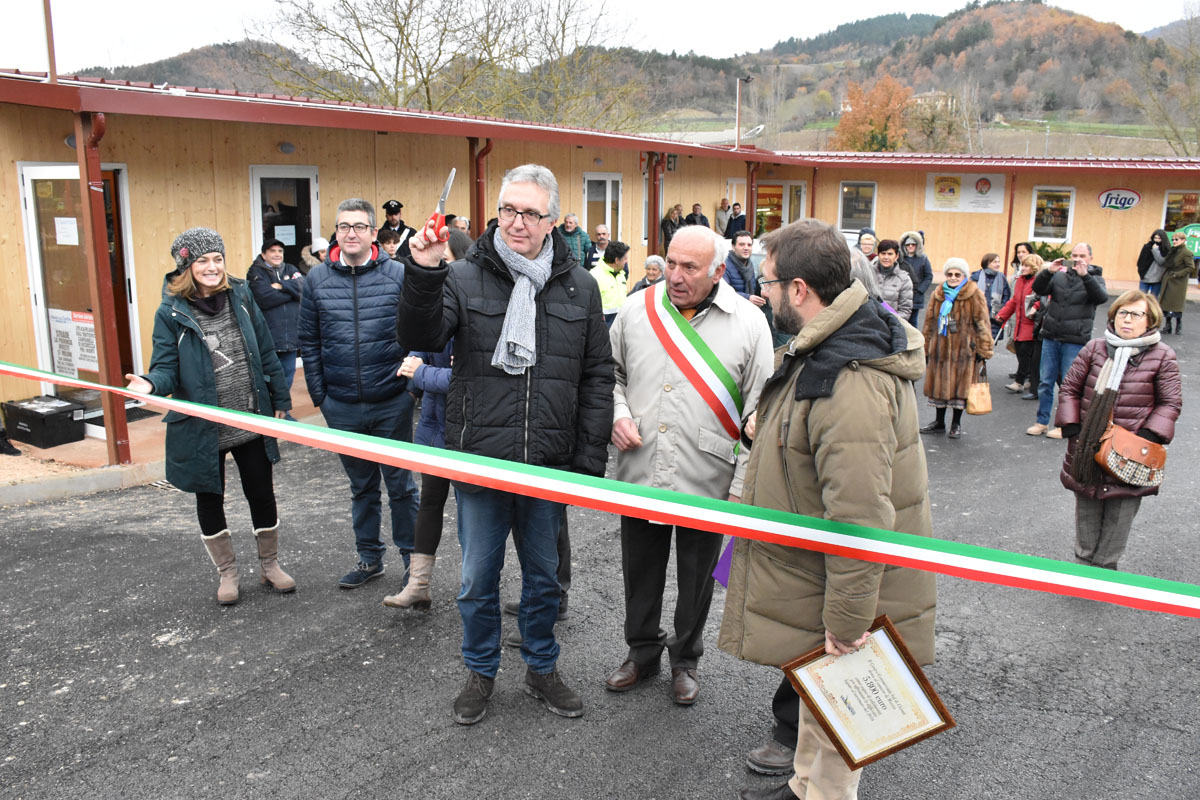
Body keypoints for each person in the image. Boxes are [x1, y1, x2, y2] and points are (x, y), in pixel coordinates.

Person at [721, 218, 935, 800]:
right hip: (817, 565)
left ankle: (821, 792)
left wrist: (847, 622)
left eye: (766, 282)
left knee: (840, 706)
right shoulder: (829, 345)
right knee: (822, 700)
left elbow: (861, 515)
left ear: (797, 289)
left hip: (838, 577)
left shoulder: (848, 377)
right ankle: (802, 786)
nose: (758, 292)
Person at [400, 163, 614, 725]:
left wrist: (586, 462)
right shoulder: (465, 276)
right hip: (479, 460)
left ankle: (542, 667)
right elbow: (421, 337)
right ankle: (480, 671)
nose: (517, 223)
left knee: (544, 581)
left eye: (530, 213)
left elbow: (596, 376)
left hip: (546, 465)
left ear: (552, 221)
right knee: (476, 581)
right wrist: (422, 271)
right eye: (508, 210)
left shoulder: (580, 286)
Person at [606, 225, 772, 706]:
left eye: (689, 268)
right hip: (641, 468)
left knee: (697, 576)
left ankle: (685, 660)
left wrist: (741, 487)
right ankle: (640, 653)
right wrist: (616, 414)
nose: (674, 276)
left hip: (709, 476)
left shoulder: (748, 322)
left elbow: (761, 410)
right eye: (671, 263)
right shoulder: (637, 310)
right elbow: (609, 376)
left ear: (719, 270)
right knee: (640, 569)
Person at [125, 228, 295, 605]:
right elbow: (166, 366)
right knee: (210, 497)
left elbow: (265, 349)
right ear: (186, 266)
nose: (212, 267)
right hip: (204, 428)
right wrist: (151, 385)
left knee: (261, 493)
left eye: (217, 258)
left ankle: (270, 566)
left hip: (249, 417)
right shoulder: (170, 311)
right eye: (202, 260)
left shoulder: (242, 294)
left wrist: (280, 396)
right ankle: (228, 573)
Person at [299, 198, 420, 589]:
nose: (351, 233)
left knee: (401, 486)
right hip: (343, 407)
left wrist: (408, 388)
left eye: (359, 226)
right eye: (344, 226)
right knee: (361, 488)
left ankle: (412, 565)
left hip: (391, 402)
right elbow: (309, 341)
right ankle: (370, 559)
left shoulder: (398, 274)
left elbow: (418, 333)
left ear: (373, 232)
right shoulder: (316, 280)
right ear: (336, 232)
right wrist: (322, 397)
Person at [1056, 290, 1181, 569]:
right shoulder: (1095, 348)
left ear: (1149, 320)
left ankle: (1106, 568)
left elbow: (1170, 403)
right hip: (1087, 446)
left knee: (1120, 511)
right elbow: (1070, 389)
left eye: (1136, 314)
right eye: (1122, 312)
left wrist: (1148, 436)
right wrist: (1073, 426)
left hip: (1131, 451)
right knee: (1086, 507)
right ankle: (1082, 564)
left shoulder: (1162, 356)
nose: (1127, 319)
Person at [1027, 243, 1108, 439]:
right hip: (1051, 336)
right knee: (1045, 382)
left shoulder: (1095, 279)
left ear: (1090, 258)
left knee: (1069, 384)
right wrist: (1048, 272)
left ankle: (1067, 425)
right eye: (1074, 255)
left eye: (1082, 255)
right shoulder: (1059, 276)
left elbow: (1100, 298)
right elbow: (1038, 289)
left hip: (1075, 339)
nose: (1078, 258)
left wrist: (1085, 276)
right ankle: (1042, 422)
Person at [920, 257, 994, 439]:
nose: (953, 277)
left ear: (964, 276)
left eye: (957, 274)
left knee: (960, 389)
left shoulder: (974, 294)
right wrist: (925, 346)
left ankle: (956, 423)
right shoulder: (938, 293)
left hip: (964, 350)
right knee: (939, 387)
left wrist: (983, 348)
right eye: (949, 274)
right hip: (940, 349)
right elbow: (929, 322)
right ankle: (939, 422)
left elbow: (982, 322)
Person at [247, 238, 304, 402]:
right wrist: (292, 294)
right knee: (269, 378)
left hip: (291, 337)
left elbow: (305, 287)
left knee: (288, 375)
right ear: (264, 254)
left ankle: (282, 410)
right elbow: (263, 297)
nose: (277, 254)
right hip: (270, 336)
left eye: (280, 251)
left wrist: (281, 286)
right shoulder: (255, 272)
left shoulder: (290, 268)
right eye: (272, 251)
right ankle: (272, 411)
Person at [995, 253, 1044, 395]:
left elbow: (1044, 299)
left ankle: (1019, 382)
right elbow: (1014, 301)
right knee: (1020, 351)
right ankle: (1028, 379)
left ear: (1035, 267)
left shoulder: (1039, 282)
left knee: (1024, 354)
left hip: (1031, 324)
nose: (1023, 268)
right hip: (1020, 324)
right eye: (1023, 265)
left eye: (1027, 265)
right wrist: (1001, 316)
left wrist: (1035, 307)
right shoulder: (1020, 281)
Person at [1158, 230, 1196, 334]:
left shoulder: (1186, 252)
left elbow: (1190, 267)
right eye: (1173, 239)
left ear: (1183, 240)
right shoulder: (1173, 251)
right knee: (1166, 304)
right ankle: (1167, 326)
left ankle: (1178, 325)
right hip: (1168, 279)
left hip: (1178, 282)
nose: (1174, 241)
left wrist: (1177, 274)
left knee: (1176, 304)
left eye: (1176, 239)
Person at [971, 252, 1011, 338]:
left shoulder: (1002, 277)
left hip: (994, 318)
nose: (998, 264)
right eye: (994, 262)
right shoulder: (976, 276)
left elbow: (1006, 296)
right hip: (977, 316)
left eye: (998, 262)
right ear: (987, 263)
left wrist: (1001, 312)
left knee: (990, 345)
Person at [590, 240, 630, 327]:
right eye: (625, 258)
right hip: (602, 327)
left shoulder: (621, 274)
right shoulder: (594, 276)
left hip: (620, 325)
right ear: (617, 260)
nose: (626, 261)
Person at [872, 238, 913, 319]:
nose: (886, 257)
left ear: (897, 256)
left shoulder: (904, 279)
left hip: (890, 326)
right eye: (883, 253)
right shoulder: (869, 273)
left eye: (890, 254)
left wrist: (892, 322)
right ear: (878, 255)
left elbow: (905, 310)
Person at [899, 230, 933, 327]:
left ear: (917, 245)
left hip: (915, 297)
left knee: (913, 321)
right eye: (908, 244)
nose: (910, 246)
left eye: (913, 244)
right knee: (900, 320)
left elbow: (928, 276)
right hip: (901, 295)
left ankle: (914, 342)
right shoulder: (899, 258)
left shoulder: (923, 259)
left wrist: (920, 290)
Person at [723, 231, 759, 300]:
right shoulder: (725, 266)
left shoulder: (750, 266)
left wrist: (761, 293)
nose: (746, 248)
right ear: (733, 247)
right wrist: (747, 298)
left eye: (749, 245)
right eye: (742, 244)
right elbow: (724, 292)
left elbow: (754, 290)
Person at [1136, 229, 1169, 298]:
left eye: (1159, 238)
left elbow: (1161, 261)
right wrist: (1141, 272)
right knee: (1141, 298)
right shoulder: (1147, 246)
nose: (1156, 240)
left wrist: (1155, 250)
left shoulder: (1166, 249)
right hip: (1145, 276)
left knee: (1153, 299)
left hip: (1158, 278)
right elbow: (1140, 261)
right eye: (1155, 238)